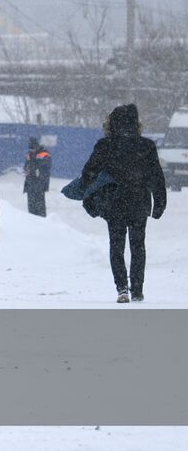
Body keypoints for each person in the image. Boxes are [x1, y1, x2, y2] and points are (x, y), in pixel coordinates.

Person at [77, 104, 166, 303]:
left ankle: (122, 289)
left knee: (116, 246)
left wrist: (87, 197)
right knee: (138, 246)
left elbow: (89, 173)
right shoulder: (147, 146)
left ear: (112, 123)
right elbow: (156, 176)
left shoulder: (105, 145)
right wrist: (160, 202)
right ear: (136, 123)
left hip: (114, 203)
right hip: (139, 203)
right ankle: (137, 289)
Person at [22, 137, 51, 217]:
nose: (31, 151)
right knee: (31, 206)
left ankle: (41, 222)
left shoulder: (45, 154)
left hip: (39, 184)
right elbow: (26, 165)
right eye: (30, 149)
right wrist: (27, 169)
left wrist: (33, 169)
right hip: (30, 184)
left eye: (33, 149)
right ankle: (32, 221)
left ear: (37, 146)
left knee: (40, 207)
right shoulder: (30, 154)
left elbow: (45, 169)